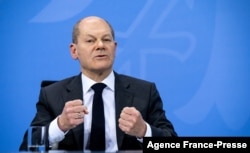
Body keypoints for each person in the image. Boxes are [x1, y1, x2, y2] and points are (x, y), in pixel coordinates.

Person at [19, 16, 177, 152]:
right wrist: (60, 125)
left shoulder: (145, 91)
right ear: (74, 51)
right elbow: (28, 147)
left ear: (114, 48)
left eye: (106, 39)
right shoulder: (52, 94)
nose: (100, 45)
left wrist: (144, 131)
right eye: (90, 40)